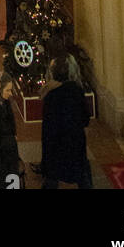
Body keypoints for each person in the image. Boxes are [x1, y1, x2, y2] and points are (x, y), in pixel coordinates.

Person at [40, 54, 93, 189]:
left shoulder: (50, 94)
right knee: (82, 174)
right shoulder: (76, 91)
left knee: (52, 176)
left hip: (55, 144)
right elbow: (85, 118)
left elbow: (47, 126)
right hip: (75, 142)